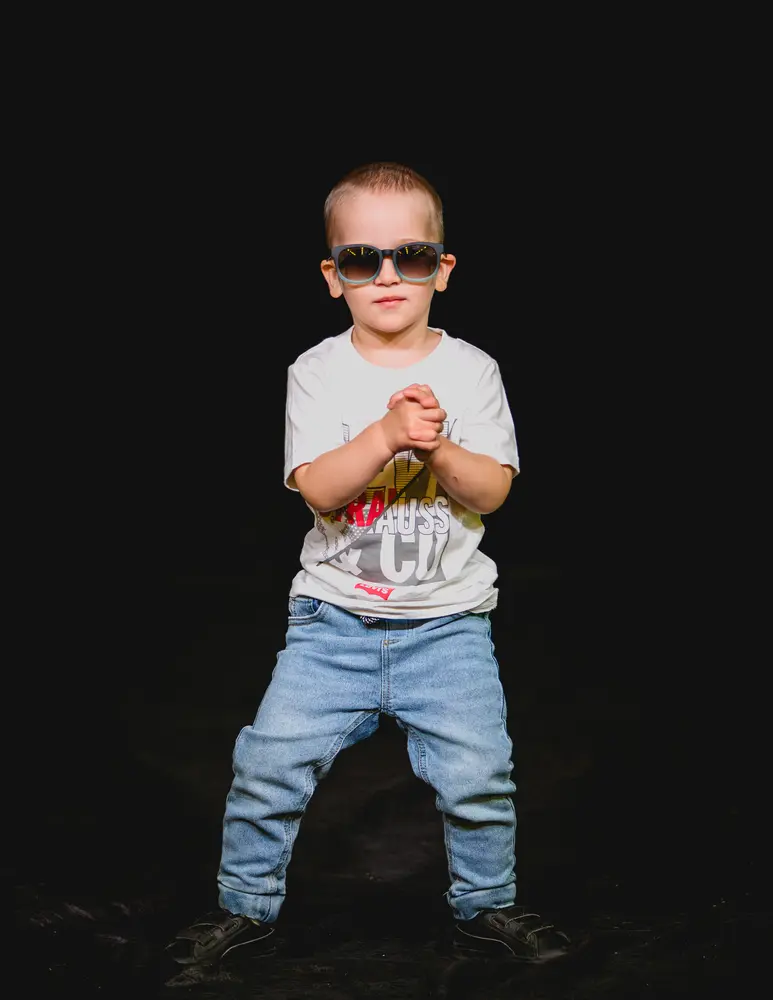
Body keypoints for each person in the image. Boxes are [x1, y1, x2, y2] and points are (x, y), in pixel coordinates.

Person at [165, 162, 571, 971]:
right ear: (333, 277)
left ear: (441, 270)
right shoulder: (316, 372)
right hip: (332, 624)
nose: (387, 275)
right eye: (362, 259)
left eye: (409, 256)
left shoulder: (471, 371)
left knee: (480, 776)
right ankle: (243, 906)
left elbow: (491, 492)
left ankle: (487, 905)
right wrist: (385, 435)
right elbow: (318, 488)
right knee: (267, 765)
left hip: (447, 627)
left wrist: (436, 445)